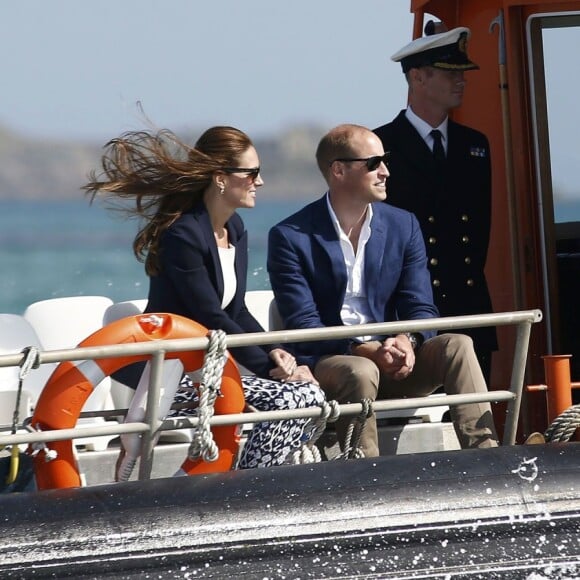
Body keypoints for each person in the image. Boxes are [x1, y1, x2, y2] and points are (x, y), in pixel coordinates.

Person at [84, 125, 326, 471]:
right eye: (252, 173)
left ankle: (250, 481)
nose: (260, 182)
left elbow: (236, 311)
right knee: (293, 396)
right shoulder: (182, 234)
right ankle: (251, 487)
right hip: (163, 371)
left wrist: (277, 351)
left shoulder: (236, 229)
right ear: (220, 178)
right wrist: (272, 369)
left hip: (205, 368)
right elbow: (210, 316)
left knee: (308, 394)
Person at [267, 123, 499, 458]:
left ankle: (488, 459)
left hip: (393, 362)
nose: (386, 171)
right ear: (339, 170)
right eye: (374, 163)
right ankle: (366, 476)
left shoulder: (404, 225)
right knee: (359, 370)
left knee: (458, 345)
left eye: (385, 160)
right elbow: (305, 326)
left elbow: (421, 306)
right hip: (333, 363)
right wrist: (365, 350)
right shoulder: (290, 236)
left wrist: (408, 340)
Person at [373, 25, 498, 382]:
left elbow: (478, 229)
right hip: (411, 306)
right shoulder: (381, 145)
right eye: (449, 73)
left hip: (468, 298)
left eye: (462, 74)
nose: (461, 81)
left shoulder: (474, 144)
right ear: (417, 77)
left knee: (478, 412)